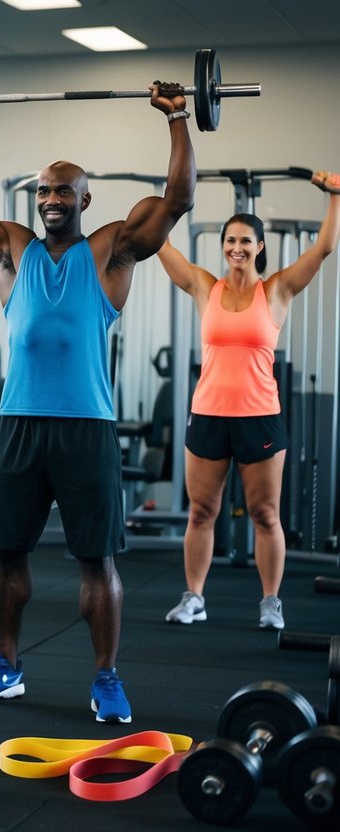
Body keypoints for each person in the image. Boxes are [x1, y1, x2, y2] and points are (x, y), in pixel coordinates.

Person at [0, 84, 195, 723]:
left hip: (87, 426)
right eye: (44, 192)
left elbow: (178, 200)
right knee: (9, 553)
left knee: (95, 558)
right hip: (19, 424)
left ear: (84, 199)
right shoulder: (11, 247)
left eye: (63, 192)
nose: (51, 200)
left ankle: (106, 677)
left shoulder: (111, 249)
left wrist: (179, 119)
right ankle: (6, 667)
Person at [158, 170, 340, 631]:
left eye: (245, 241)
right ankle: (194, 597)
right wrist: (159, 206)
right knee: (201, 512)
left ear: (260, 246)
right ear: (223, 246)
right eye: (230, 240)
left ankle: (270, 602)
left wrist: (335, 198)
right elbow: (161, 246)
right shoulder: (205, 287)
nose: (236, 247)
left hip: (259, 417)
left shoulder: (275, 290)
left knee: (265, 513)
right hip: (208, 415)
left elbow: (322, 249)